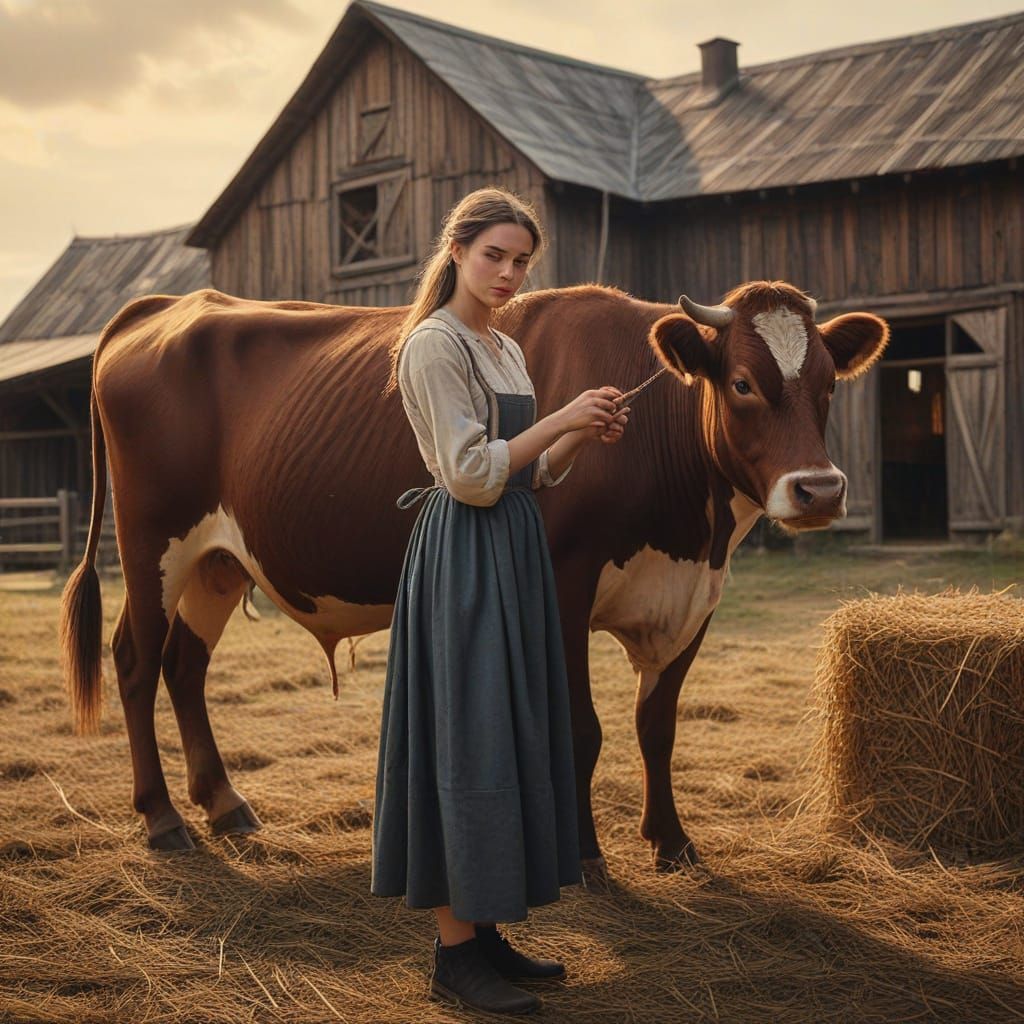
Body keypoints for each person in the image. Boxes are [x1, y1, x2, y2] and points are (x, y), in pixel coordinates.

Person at [371, 186, 630, 1015]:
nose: (509, 273)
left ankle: (483, 934)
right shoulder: (433, 347)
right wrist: (557, 420)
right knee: (464, 741)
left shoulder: (504, 348)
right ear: (457, 251)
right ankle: (453, 955)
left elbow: (529, 470)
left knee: (504, 737)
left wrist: (575, 434)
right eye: (495, 256)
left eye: (521, 260)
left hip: (513, 551)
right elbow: (472, 476)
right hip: (465, 558)